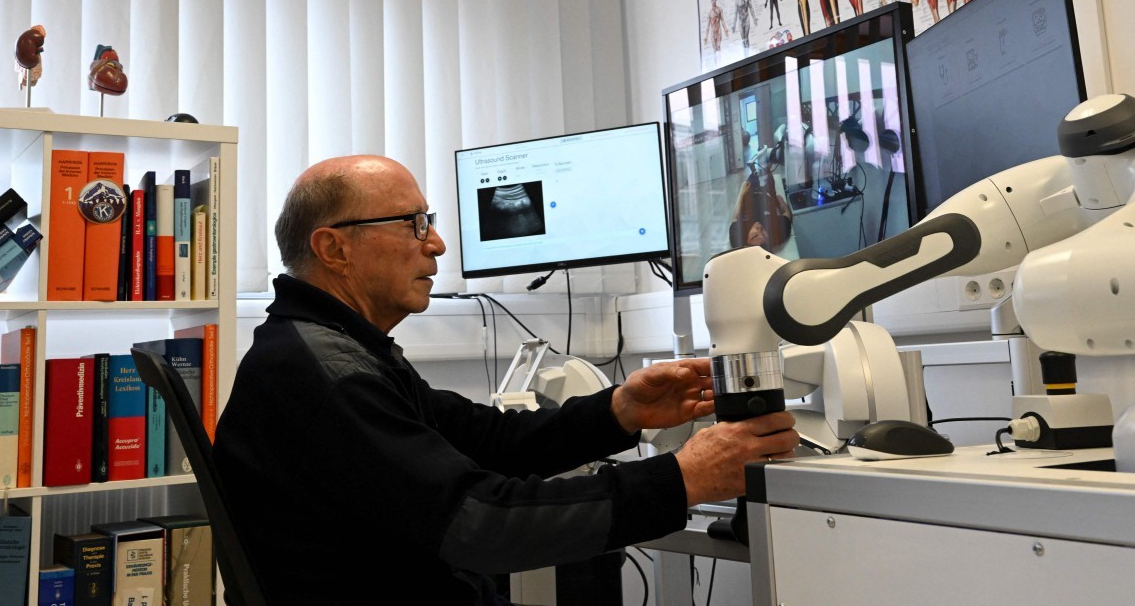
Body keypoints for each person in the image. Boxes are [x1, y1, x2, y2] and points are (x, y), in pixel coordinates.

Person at [213, 155, 799, 604]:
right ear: (333, 248)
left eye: (431, 222)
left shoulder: (334, 349)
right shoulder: (325, 376)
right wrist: (683, 479)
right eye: (414, 224)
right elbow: (480, 522)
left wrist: (620, 410)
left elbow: (483, 438)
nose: (437, 243)